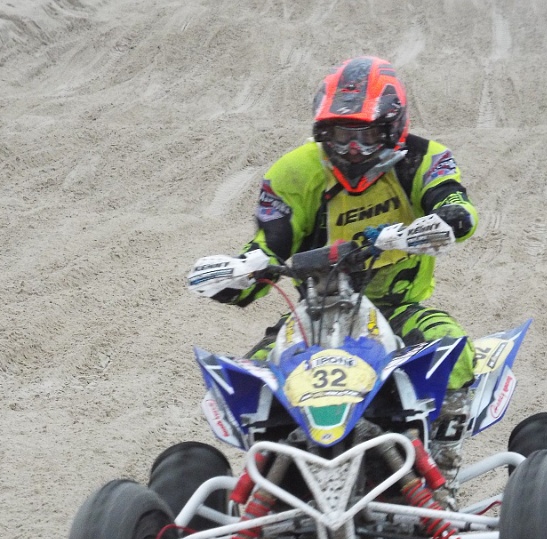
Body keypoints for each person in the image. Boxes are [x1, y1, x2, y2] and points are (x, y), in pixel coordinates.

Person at [189, 56, 480, 494]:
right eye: (342, 135)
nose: (354, 149)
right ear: (323, 132)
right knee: (250, 383)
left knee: (453, 351)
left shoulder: (425, 159)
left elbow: (456, 206)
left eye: (365, 134)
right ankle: (268, 492)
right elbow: (271, 244)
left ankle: (441, 474)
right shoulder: (294, 172)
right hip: (313, 315)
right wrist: (237, 273)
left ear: (392, 126)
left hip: (396, 310)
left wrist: (444, 220)